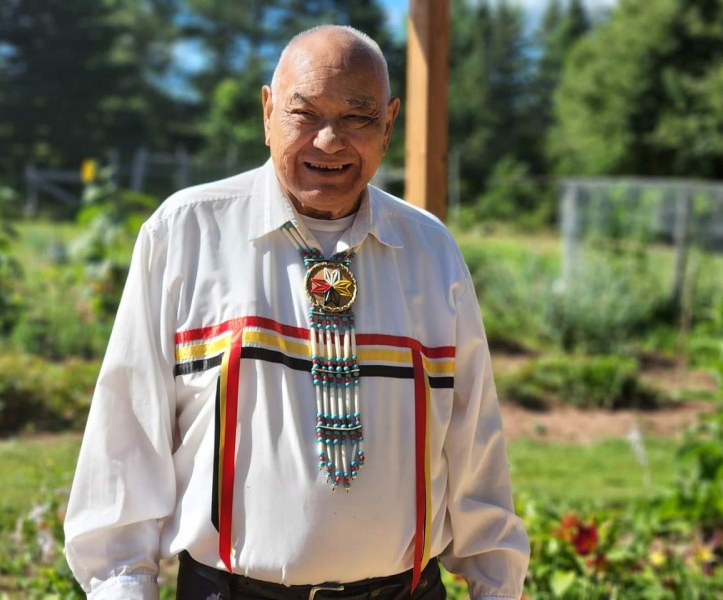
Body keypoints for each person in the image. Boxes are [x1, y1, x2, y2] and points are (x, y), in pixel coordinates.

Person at [64, 25, 530, 600]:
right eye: (304, 113)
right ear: (267, 113)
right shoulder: (185, 233)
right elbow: (124, 443)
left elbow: (474, 444)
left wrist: (497, 586)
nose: (330, 141)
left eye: (358, 117)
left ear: (389, 123)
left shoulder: (431, 251)